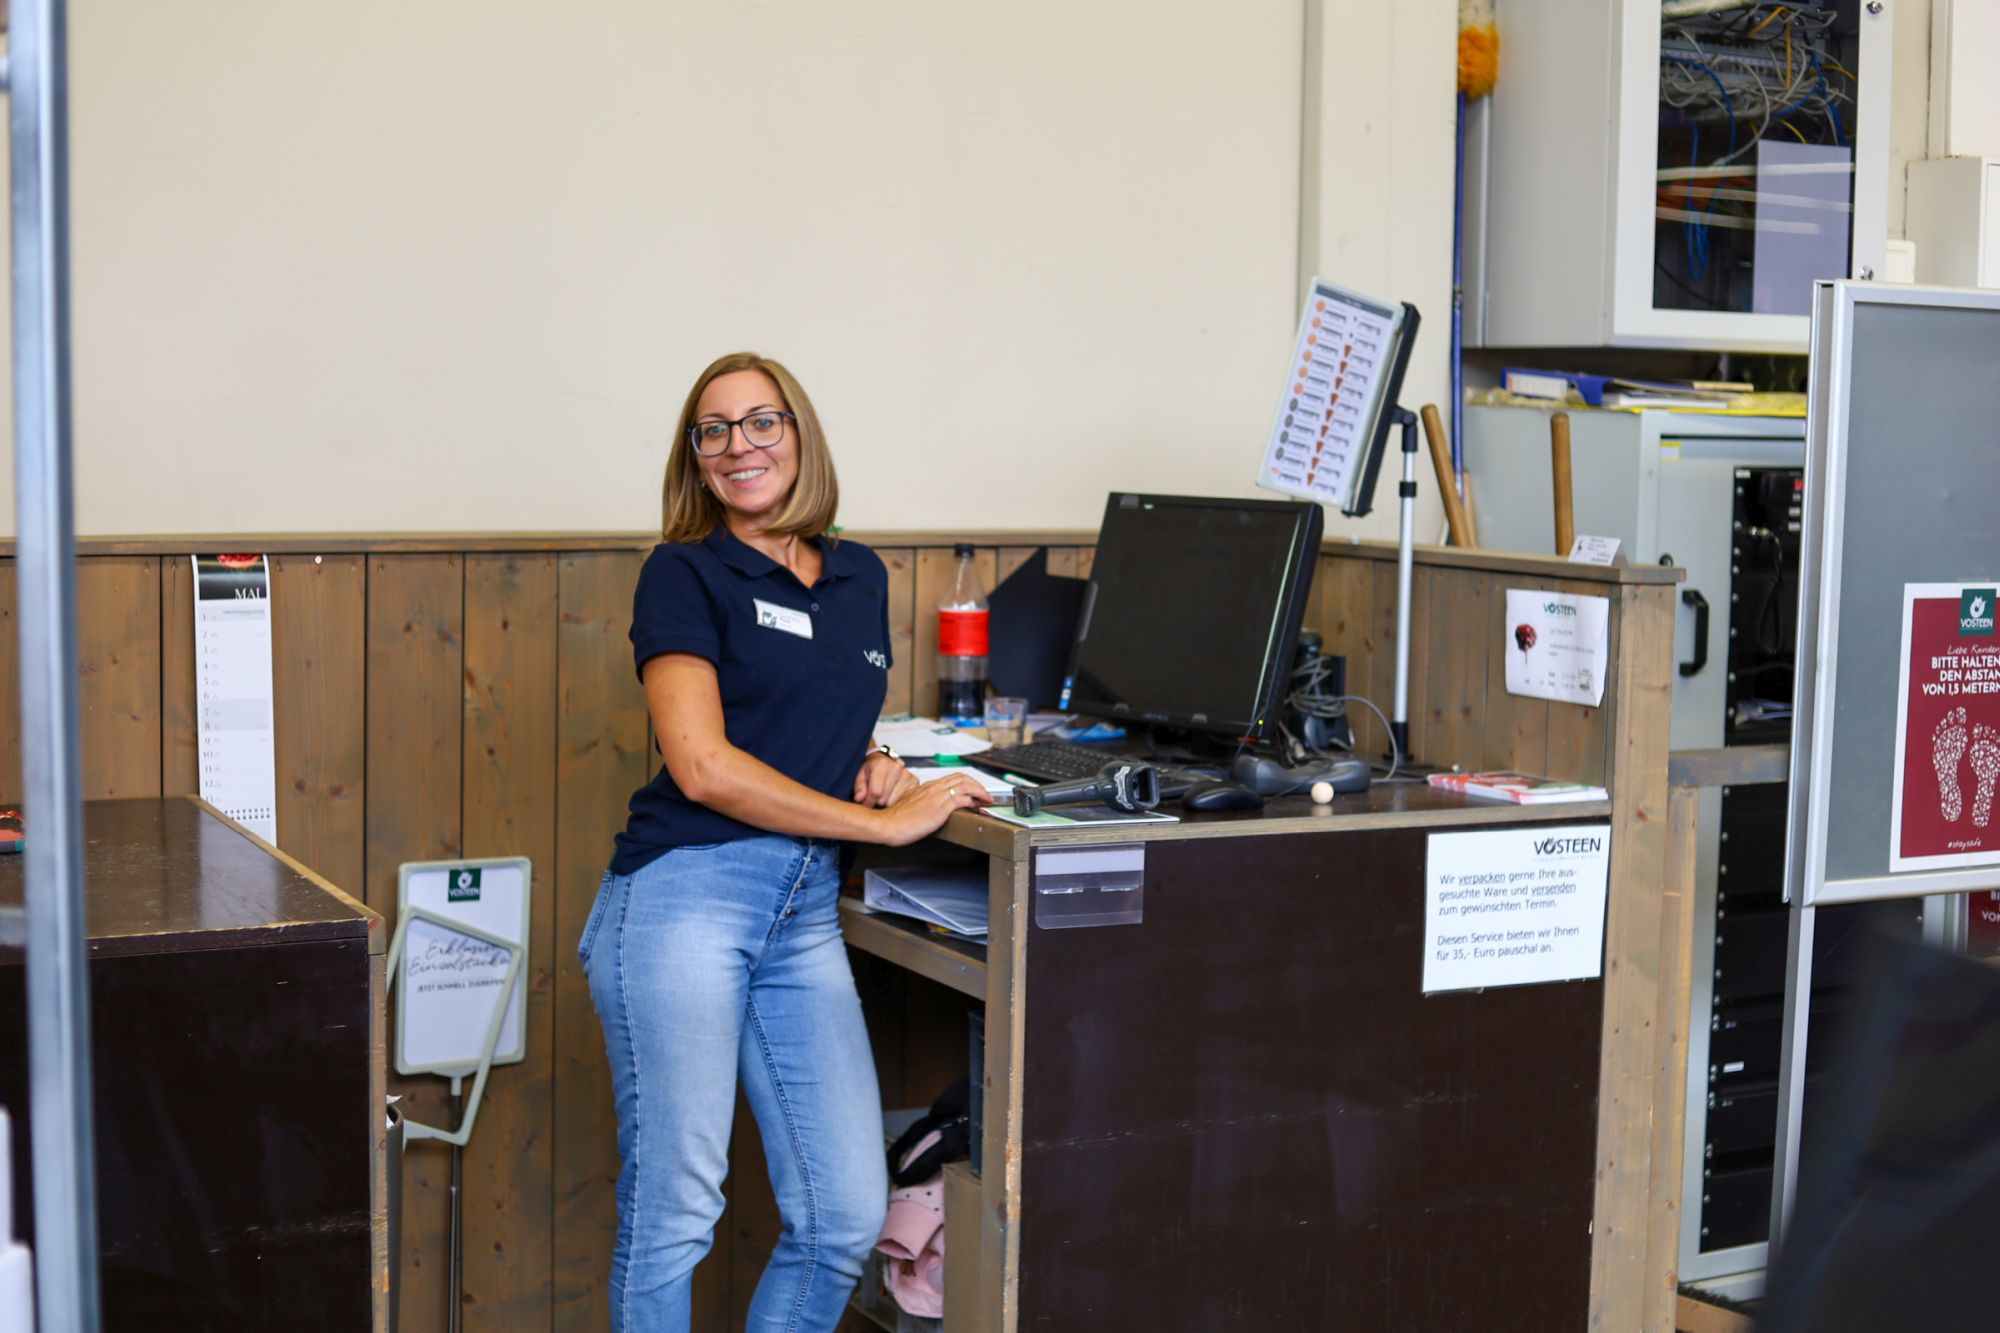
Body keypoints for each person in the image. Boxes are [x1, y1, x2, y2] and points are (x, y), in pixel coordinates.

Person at [578, 351, 991, 1333]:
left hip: (801, 914)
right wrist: (882, 823)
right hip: (681, 903)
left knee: (842, 1213)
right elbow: (702, 766)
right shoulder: (683, 572)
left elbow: (822, 703)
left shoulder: (858, 574)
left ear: (800, 436)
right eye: (713, 430)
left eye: (761, 421)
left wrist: (873, 757)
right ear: (696, 457)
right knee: (675, 1213)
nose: (739, 445)